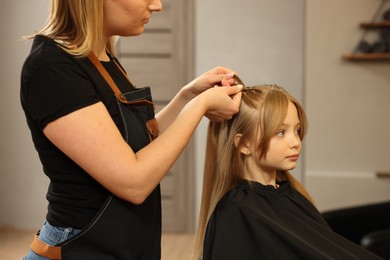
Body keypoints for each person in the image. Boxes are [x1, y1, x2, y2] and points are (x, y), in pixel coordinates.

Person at [20, 0, 242, 259]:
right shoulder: (52, 68)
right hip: (80, 246)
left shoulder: (100, 57)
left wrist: (188, 96)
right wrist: (200, 106)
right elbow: (133, 182)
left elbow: (131, 144)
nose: (157, 5)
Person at [193, 81, 382, 260]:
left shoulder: (290, 193)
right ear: (244, 144)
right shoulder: (236, 212)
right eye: (280, 132)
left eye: (297, 130)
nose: (296, 142)